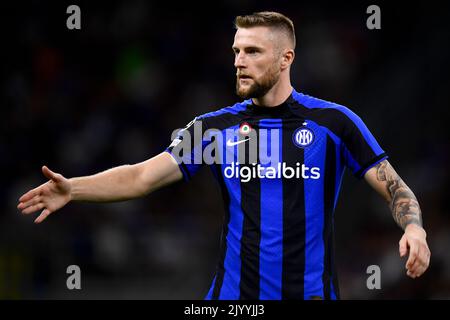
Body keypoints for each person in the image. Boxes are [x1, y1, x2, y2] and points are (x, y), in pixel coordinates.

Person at [17, 11, 430, 300]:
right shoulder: (214, 128)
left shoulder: (334, 123)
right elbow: (142, 176)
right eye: (236, 51)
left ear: (286, 59)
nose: (239, 62)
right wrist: (74, 189)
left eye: (252, 52)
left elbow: (395, 187)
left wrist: (414, 229)